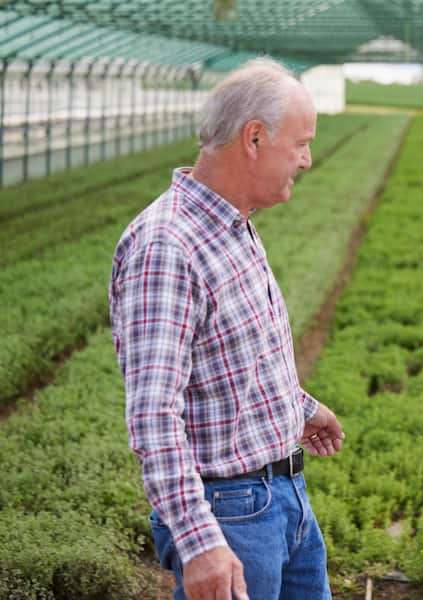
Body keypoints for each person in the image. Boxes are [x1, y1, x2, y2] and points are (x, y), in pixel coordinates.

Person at [109, 58, 345, 600]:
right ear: (255, 138)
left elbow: (240, 354)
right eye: (301, 143)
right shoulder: (167, 247)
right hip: (231, 518)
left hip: (284, 497)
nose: (308, 161)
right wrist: (199, 544)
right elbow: (153, 414)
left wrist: (302, 409)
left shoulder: (233, 224)